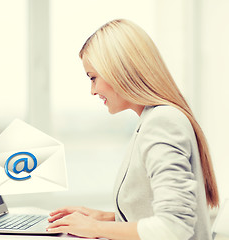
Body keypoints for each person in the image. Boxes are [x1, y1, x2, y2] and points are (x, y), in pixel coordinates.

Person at [46, 19, 219, 240]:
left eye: (93, 78)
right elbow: (156, 215)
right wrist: (104, 217)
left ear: (119, 71)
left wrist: (93, 229)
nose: (93, 90)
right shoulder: (153, 119)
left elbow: (174, 227)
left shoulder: (162, 122)